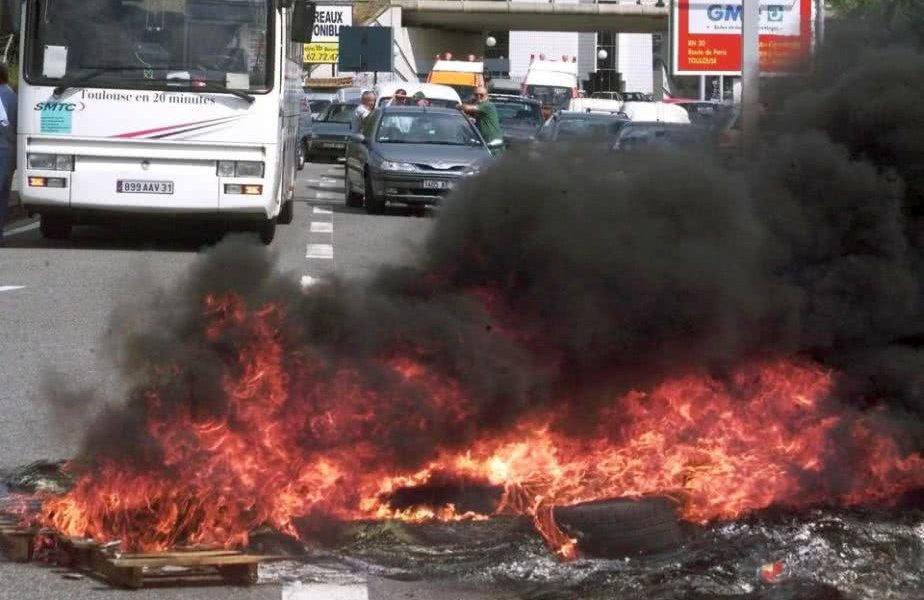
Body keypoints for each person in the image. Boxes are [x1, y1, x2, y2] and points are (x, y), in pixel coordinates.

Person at [0, 63, 17, 243]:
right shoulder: (13, 96)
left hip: (2, 147)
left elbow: (2, 122)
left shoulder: (2, 95)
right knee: (3, 193)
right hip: (9, 151)